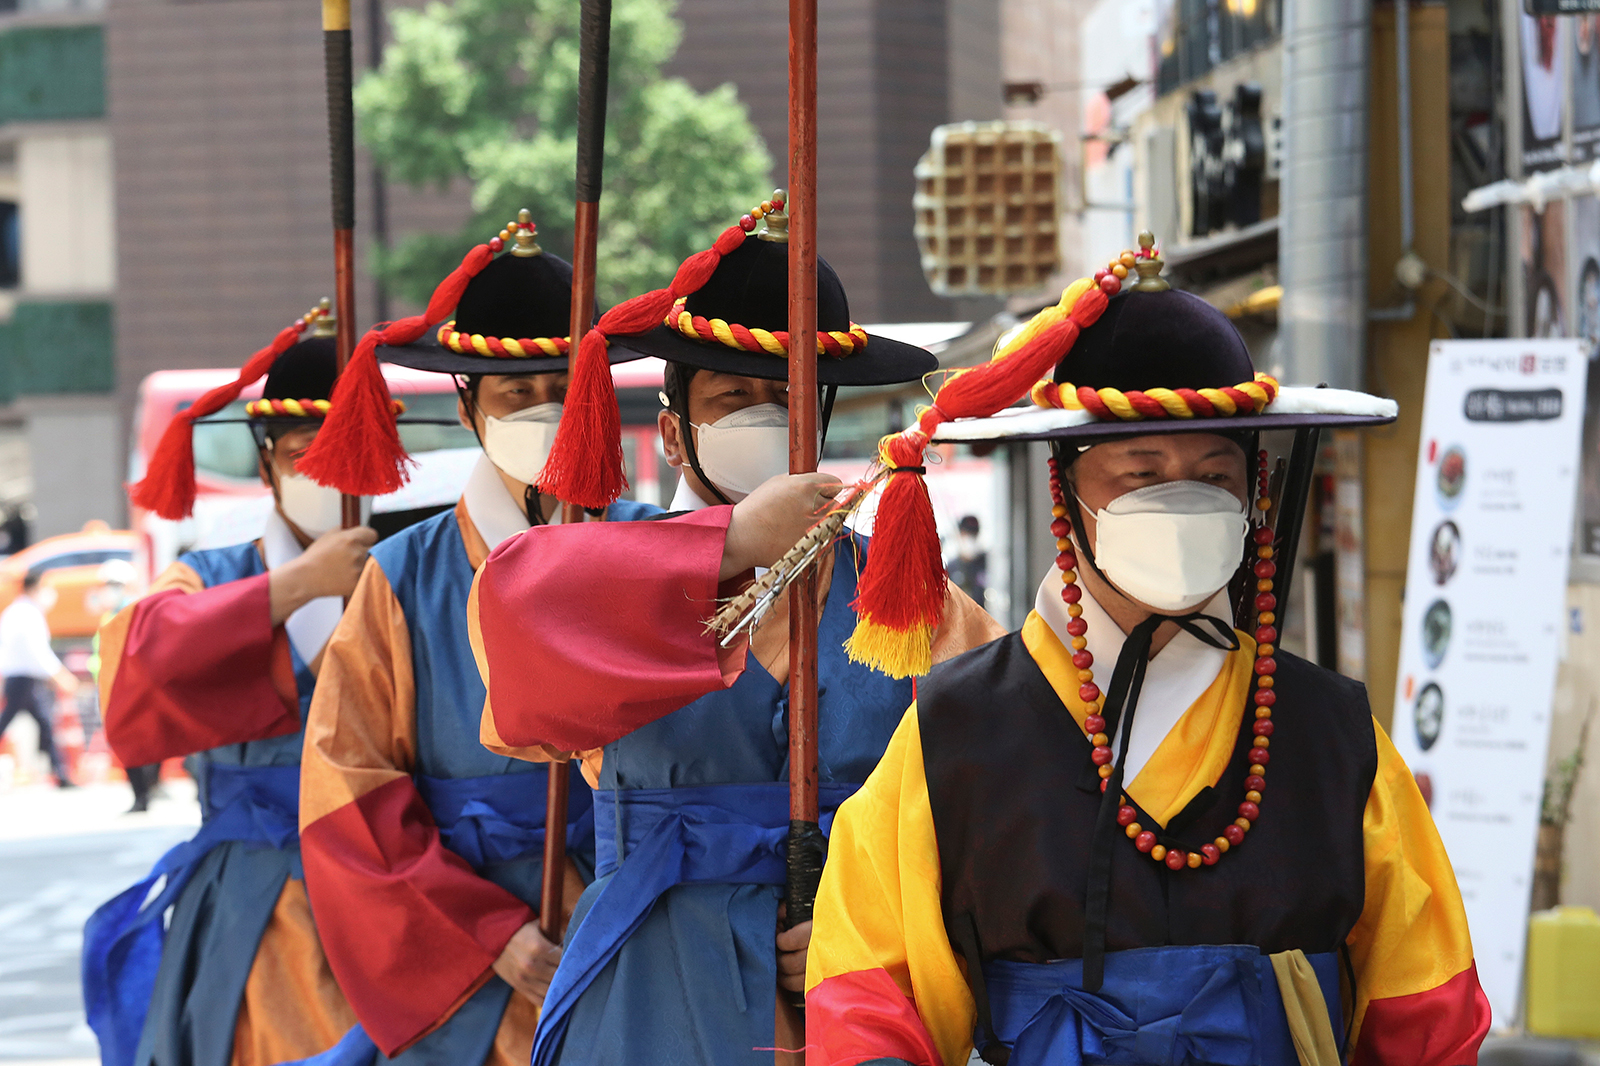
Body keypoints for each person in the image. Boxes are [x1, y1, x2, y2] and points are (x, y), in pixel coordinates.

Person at [803, 238, 1492, 1066]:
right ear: (1067, 486)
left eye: (1214, 473)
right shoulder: (953, 732)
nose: (1184, 497)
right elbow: (870, 1010)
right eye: (1141, 473)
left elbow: (1429, 1017)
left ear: (1253, 495)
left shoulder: (1332, 733)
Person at [469, 192, 1004, 1066]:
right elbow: (513, 626)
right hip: (650, 985)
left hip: (849, 986)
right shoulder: (603, 562)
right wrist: (731, 544)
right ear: (675, 433)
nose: (761, 416)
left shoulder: (903, 587)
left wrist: (872, 895)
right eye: (731, 398)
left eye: (783, 397)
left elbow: (992, 787)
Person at [289, 211, 655, 1066]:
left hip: (643, 927)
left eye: (560, 387)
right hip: (473, 950)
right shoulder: (404, 576)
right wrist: (489, 934)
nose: (542, 410)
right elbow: (347, 789)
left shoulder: (653, 548)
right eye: (513, 394)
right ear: (467, 406)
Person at [83, 303, 369, 1066]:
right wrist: (294, 587)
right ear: (269, 462)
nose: (327, 474)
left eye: (349, 454)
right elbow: (134, 656)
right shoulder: (213, 574)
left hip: (396, 878)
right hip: (261, 891)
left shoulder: (411, 567)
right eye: (307, 452)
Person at [85, 558, 157, 812]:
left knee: (143, 741)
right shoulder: (109, 616)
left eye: (114, 584)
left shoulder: (135, 612)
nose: (109, 588)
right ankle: (143, 792)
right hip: (114, 690)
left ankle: (146, 791)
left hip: (134, 689)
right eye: (107, 584)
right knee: (130, 743)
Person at [0, 569, 78, 787]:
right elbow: (37, 651)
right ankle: (61, 774)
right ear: (34, 588)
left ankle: (61, 774)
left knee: (45, 724)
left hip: (21, 678)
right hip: (23, 678)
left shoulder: (16, 611)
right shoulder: (27, 614)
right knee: (12, 722)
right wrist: (59, 675)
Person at [946, 515, 987, 604]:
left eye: (973, 534)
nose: (970, 538)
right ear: (960, 535)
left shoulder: (987, 563)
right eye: (966, 534)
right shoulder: (951, 567)